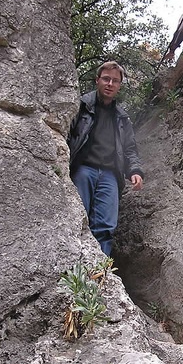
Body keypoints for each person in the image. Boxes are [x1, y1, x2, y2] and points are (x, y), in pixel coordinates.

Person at [67, 61, 144, 256]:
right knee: (77, 218)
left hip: (110, 174)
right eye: (106, 79)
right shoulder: (81, 106)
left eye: (115, 81)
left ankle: (98, 277)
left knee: (106, 227)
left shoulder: (122, 118)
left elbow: (129, 148)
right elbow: (67, 134)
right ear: (97, 80)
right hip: (83, 169)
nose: (110, 84)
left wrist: (134, 170)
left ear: (119, 85)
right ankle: (72, 268)